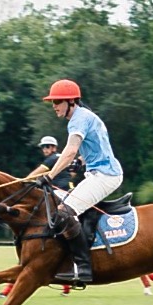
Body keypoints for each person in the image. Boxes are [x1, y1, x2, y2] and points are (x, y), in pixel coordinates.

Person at [36, 79, 124, 285]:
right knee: (76, 211)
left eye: (57, 102)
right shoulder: (86, 116)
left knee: (63, 213)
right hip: (100, 172)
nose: (54, 106)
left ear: (71, 101)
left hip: (105, 175)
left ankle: (83, 268)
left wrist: (49, 176)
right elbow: (94, 145)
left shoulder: (78, 119)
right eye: (53, 102)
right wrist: (80, 162)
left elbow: (70, 150)